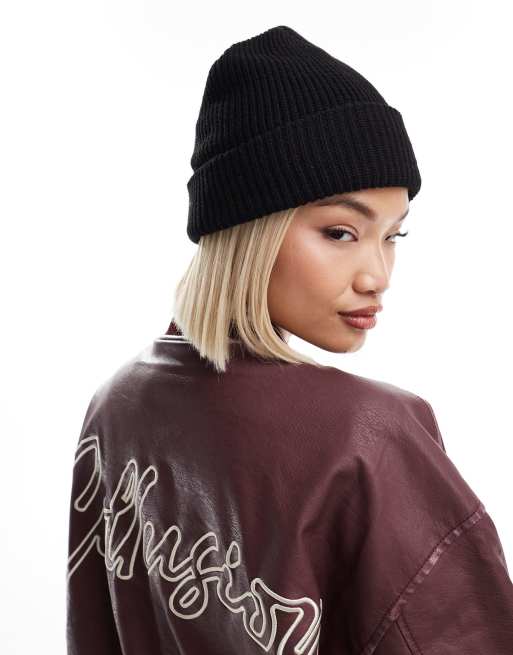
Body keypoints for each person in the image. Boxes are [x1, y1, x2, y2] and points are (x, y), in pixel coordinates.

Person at [66, 25, 513, 655]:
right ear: (250, 232)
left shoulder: (117, 404)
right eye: (340, 232)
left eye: (393, 236)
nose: (377, 275)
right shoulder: (368, 435)